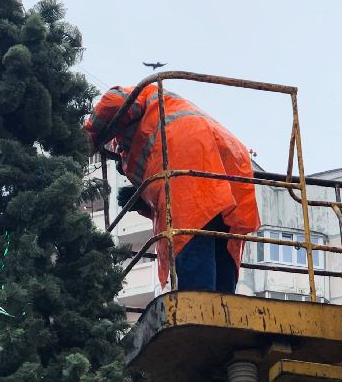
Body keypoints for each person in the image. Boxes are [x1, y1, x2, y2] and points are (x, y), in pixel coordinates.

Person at [86, 84, 259, 294]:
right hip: (232, 159)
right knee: (221, 241)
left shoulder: (140, 115)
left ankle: (199, 301)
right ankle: (223, 304)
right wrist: (143, 199)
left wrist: (85, 138)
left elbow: (114, 99)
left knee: (190, 236)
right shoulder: (165, 112)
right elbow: (163, 194)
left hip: (189, 156)